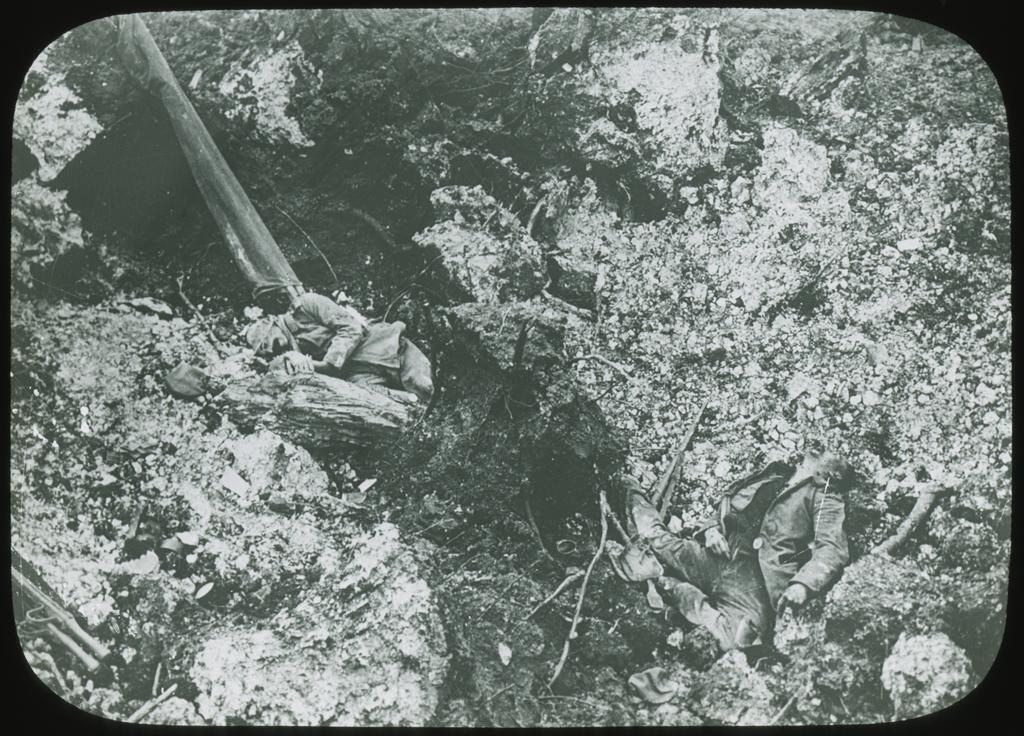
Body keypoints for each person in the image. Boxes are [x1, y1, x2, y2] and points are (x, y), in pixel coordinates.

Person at [619, 449, 851, 652]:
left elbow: (832, 548)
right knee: (652, 539)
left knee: (734, 642)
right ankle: (623, 483)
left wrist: (802, 584)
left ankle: (669, 585)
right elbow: (727, 506)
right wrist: (711, 531)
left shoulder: (826, 495)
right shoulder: (777, 471)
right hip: (721, 557)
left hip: (755, 585)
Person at [244, 290, 434, 402]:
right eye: (264, 351)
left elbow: (351, 328)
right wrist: (293, 361)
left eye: (265, 343)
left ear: (271, 324)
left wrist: (328, 363)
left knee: (424, 387)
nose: (269, 350)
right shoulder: (291, 354)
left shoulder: (307, 305)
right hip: (361, 376)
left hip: (386, 347)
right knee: (402, 405)